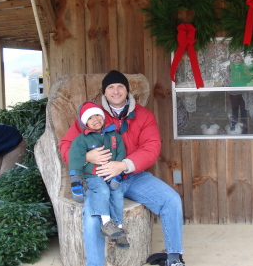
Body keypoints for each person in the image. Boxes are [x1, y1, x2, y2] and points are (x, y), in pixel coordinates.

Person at [60, 70, 185, 266]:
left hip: (132, 176)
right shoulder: (92, 115)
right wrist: (86, 157)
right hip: (99, 179)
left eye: (120, 87)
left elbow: (151, 147)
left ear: (127, 91)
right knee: (93, 218)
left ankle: (174, 258)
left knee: (171, 200)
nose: (116, 91)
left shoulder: (144, 116)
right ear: (104, 92)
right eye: (111, 87)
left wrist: (123, 165)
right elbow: (66, 145)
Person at [68, 101, 129, 248]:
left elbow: (121, 153)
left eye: (97, 115)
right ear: (84, 123)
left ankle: (118, 228)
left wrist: (118, 174)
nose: (95, 119)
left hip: (111, 173)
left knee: (117, 193)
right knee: (102, 191)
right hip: (93, 176)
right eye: (90, 118)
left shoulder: (114, 135)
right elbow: (75, 158)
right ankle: (106, 222)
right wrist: (75, 180)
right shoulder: (81, 140)